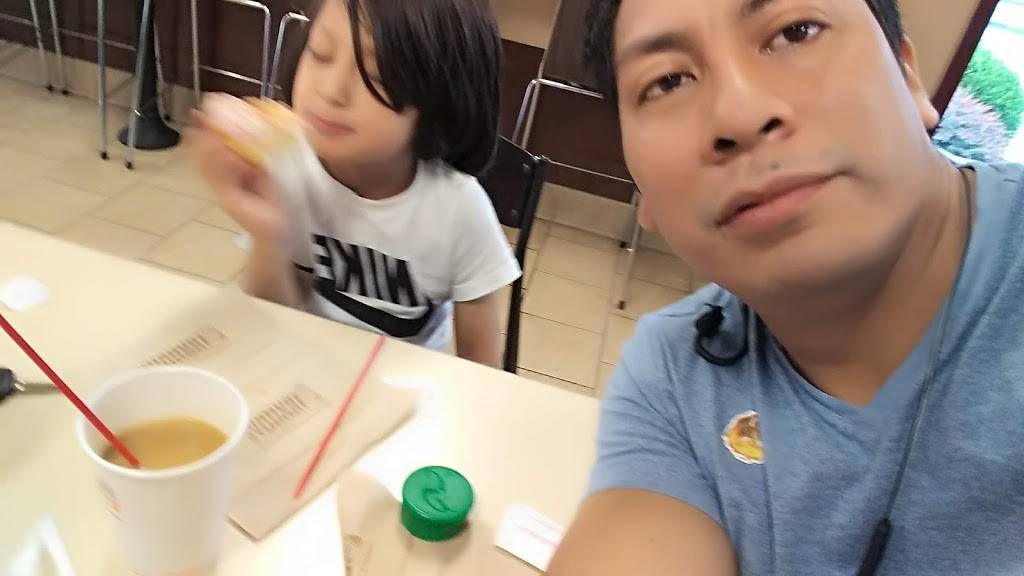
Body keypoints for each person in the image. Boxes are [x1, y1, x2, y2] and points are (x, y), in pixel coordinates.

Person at [548, 0, 1024, 574]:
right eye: (667, 81)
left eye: (797, 31)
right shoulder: (674, 377)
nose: (739, 114)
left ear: (908, 77)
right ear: (640, 187)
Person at [187, 0, 518, 367]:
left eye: (376, 75)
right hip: (300, 368)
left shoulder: (460, 211)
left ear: (439, 100)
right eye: (321, 53)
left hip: (401, 383)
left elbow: (482, 371)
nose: (331, 91)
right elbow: (270, 321)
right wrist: (267, 236)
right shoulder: (283, 167)